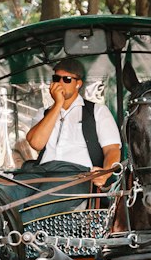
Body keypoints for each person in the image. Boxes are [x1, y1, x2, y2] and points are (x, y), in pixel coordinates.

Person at [23, 57, 121, 187]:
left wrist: (105, 173)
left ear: (78, 84)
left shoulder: (98, 111)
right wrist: (58, 105)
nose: (60, 83)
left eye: (67, 79)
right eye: (56, 79)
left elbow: (112, 149)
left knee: (39, 204)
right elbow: (36, 143)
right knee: (6, 191)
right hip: (42, 172)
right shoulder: (44, 113)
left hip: (77, 175)